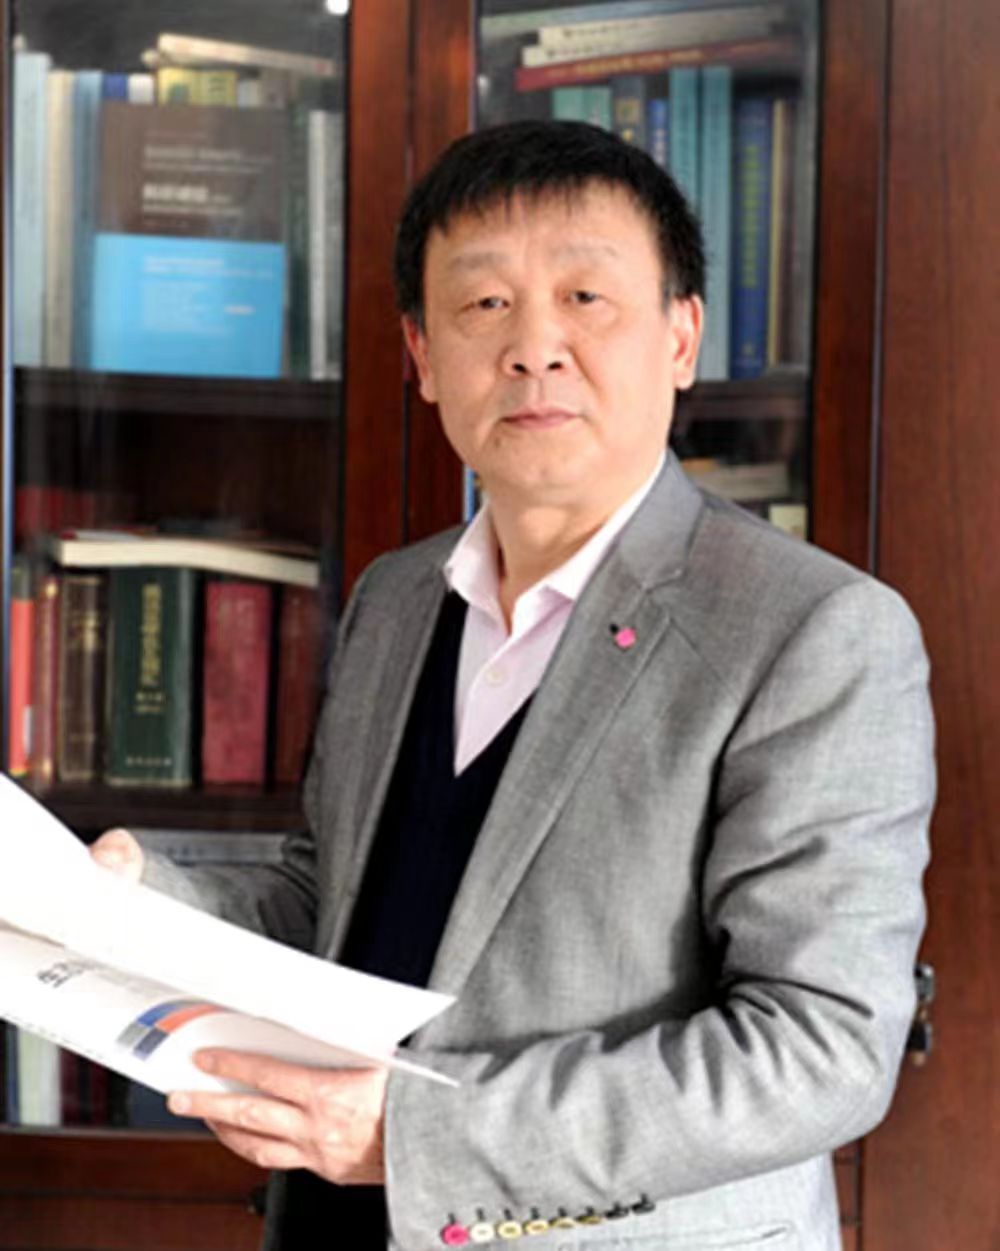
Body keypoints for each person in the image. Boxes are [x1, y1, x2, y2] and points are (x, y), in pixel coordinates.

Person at [92, 120, 934, 1251]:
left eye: (586, 297)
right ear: (421, 354)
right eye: (485, 304)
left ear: (681, 337)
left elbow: (818, 1049)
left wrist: (416, 1140)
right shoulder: (397, 599)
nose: (535, 348)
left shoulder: (812, 631)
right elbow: (334, 911)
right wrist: (133, 895)